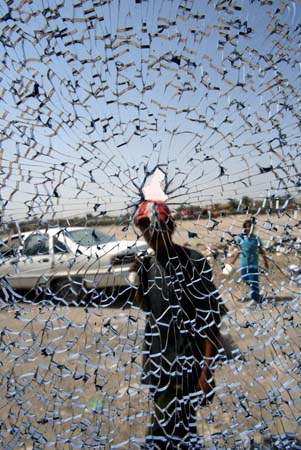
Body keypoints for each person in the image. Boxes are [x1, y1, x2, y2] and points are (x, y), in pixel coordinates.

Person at [131, 200, 226, 449]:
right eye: (145, 227)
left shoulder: (193, 262)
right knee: (179, 430)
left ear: (169, 227)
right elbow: (148, 309)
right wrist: (139, 280)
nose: (150, 233)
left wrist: (207, 371)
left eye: (155, 226)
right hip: (157, 365)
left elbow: (212, 322)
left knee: (163, 432)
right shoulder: (148, 266)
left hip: (185, 367)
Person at [230, 219, 269, 303]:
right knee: (245, 279)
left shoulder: (256, 239)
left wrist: (265, 261)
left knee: (254, 281)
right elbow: (238, 251)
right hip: (244, 264)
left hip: (254, 264)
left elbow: (261, 251)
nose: (248, 229)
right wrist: (233, 261)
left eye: (250, 227)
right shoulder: (241, 239)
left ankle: (256, 297)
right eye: (246, 228)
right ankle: (255, 292)